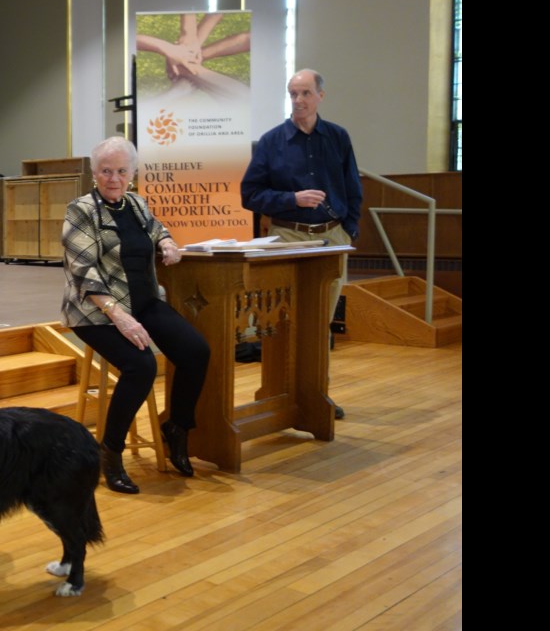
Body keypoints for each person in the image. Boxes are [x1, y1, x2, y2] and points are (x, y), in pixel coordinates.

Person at [61, 137, 210, 494]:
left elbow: (156, 228)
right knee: (141, 365)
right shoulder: (80, 209)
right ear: (94, 173)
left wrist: (167, 243)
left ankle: (176, 428)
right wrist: (119, 317)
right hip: (94, 311)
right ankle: (109, 453)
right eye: (106, 171)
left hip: (143, 302)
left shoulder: (137, 204)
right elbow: (83, 269)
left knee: (196, 351)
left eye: (121, 171)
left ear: (133, 173)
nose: (114, 178)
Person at [240, 69, 363, 419]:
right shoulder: (271, 141)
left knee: (319, 320)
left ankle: (315, 394)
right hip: (288, 237)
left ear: (320, 96)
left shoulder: (338, 137)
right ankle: (281, 394)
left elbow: (353, 188)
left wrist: (348, 229)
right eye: (293, 93)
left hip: (331, 237)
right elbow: (250, 195)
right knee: (283, 320)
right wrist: (292, 199)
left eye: (305, 93)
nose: (298, 100)